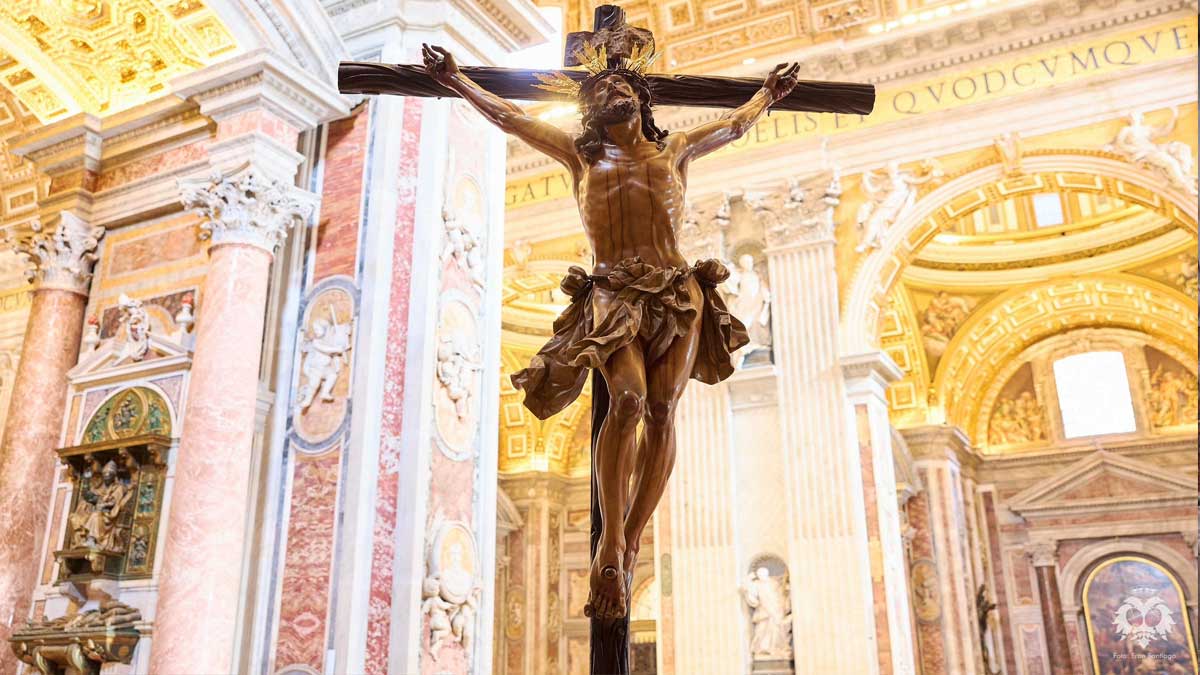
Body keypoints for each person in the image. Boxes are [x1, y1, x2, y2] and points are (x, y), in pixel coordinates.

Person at [422, 43, 799, 618]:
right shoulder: (579, 156)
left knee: (663, 411)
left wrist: (767, 97)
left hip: (677, 292)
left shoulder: (674, 150)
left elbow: (732, 126)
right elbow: (510, 117)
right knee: (626, 400)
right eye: (600, 91)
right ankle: (611, 544)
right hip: (612, 292)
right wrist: (455, 82)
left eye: (623, 88)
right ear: (589, 112)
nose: (613, 92)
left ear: (642, 100)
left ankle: (632, 537)